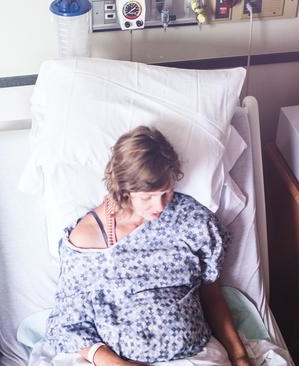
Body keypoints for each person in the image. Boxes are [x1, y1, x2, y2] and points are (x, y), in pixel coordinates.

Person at [45, 126, 250, 366]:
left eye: (167, 192)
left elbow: (211, 293)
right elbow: (69, 323)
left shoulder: (193, 220)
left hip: (195, 354)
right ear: (124, 190)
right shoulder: (88, 240)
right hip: (120, 360)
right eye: (147, 197)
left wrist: (239, 355)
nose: (160, 205)